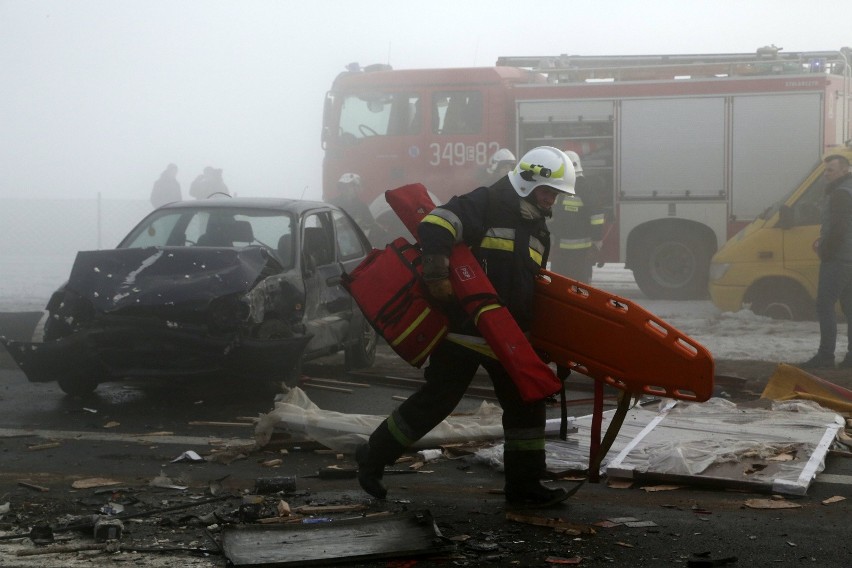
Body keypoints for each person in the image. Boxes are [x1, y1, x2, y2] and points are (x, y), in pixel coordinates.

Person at [355, 146, 576, 507]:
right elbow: (437, 223)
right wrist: (438, 273)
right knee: (438, 401)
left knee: (527, 403)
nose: (552, 201)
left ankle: (524, 488)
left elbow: (530, 290)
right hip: (465, 327)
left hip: (506, 336)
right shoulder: (487, 202)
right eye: (547, 192)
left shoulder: (537, 228)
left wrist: (546, 343)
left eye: (556, 195)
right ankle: (373, 456)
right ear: (526, 183)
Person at [800, 154, 852, 369]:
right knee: (849, 306)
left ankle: (825, 355)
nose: (826, 174)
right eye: (825, 170)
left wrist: (825, 250)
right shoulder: (848, 189)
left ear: (844, 171)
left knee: (824, 304)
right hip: (849, 257)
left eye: (830, 170)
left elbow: (839, 228)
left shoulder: (840, 193)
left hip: (839, 258)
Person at [548, 151, 605, 282]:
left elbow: (597, 216)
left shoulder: (584, 187)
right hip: (561, 250)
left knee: (578, 290)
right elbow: (555, 216)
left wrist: (596, 242)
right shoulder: (561, 188)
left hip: (581, 253)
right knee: (560, 287)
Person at [330, 173, 377, 238]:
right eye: (343, 186)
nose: (346, 189)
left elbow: (370, 224)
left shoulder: (362, 206)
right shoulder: (332, 204)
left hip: (356, 243)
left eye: (349, 186)